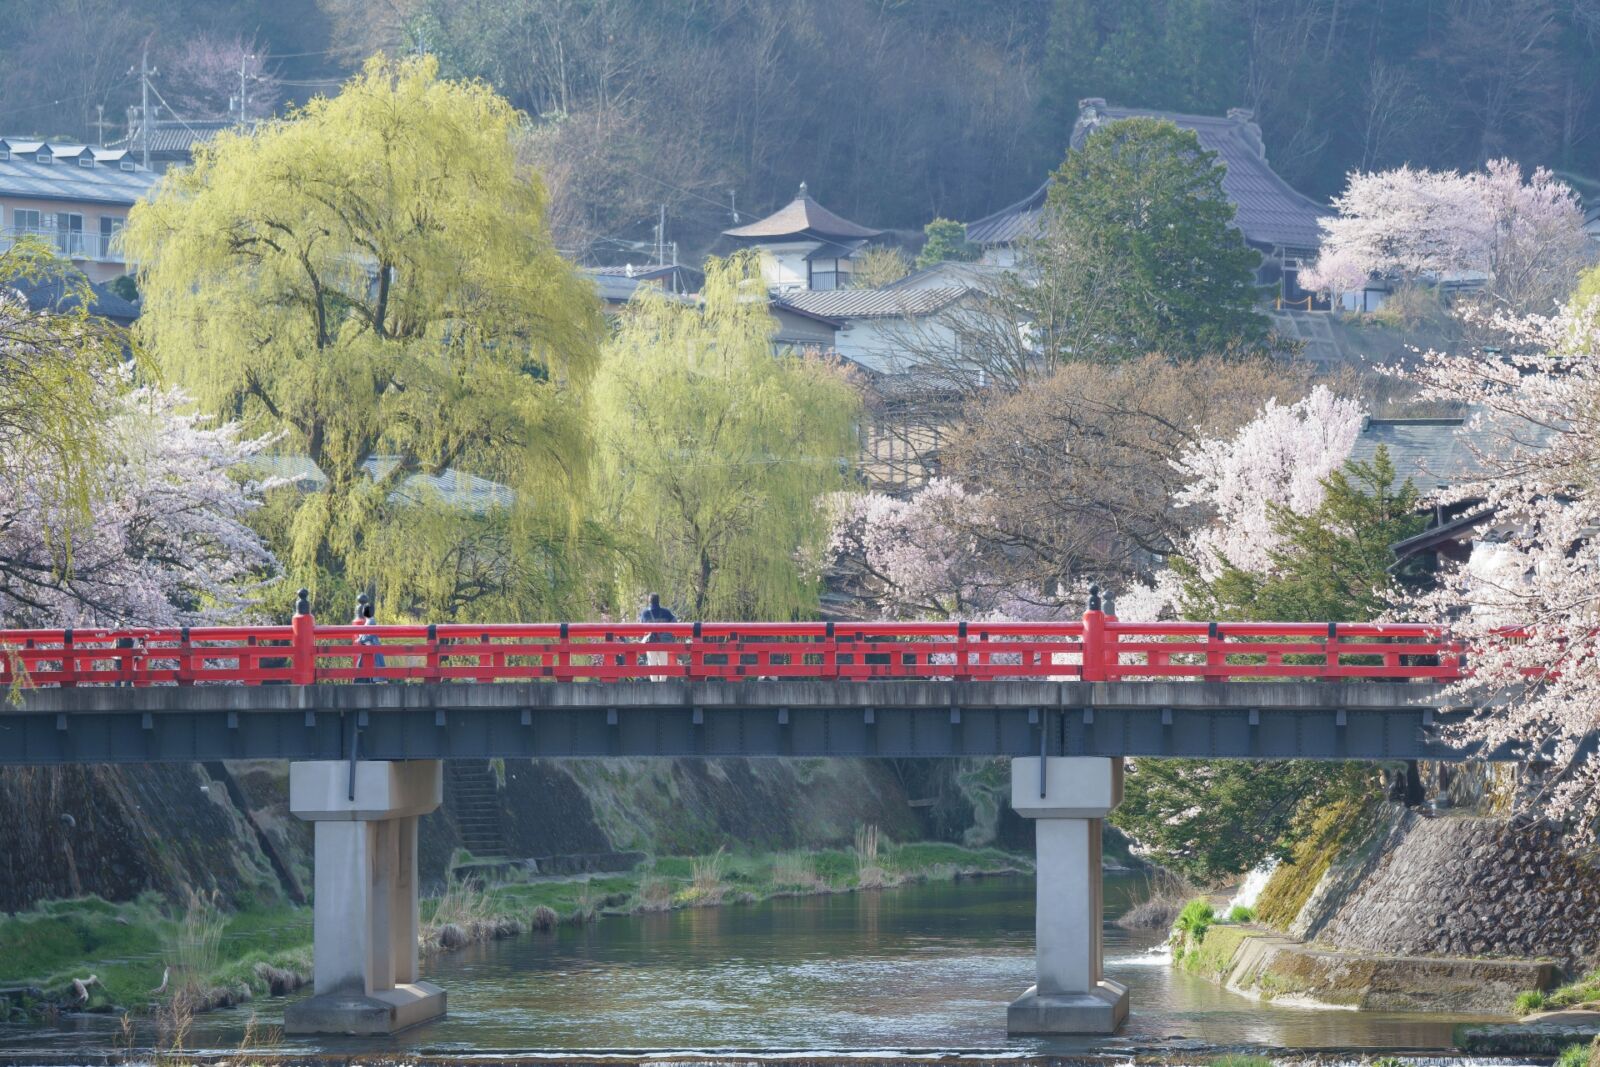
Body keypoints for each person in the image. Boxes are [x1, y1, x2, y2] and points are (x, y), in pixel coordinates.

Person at [639, 592, 677, 680]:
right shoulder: (666, 612)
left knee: (652, 664)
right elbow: (675, 622)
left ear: (649, 601)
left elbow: (641, 627)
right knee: (663, 664)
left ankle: (654, 685)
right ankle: (662, 684)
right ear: (658, 601)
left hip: (650, 641)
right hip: (663, 641)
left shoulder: (645, 613)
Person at [353, 595, 384, 682]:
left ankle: (368, 680)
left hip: (371, 645)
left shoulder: (371, 621)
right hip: (370, 646)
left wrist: (360, 639)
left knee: (371, 665)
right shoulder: (370, 620)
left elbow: (368, 635)